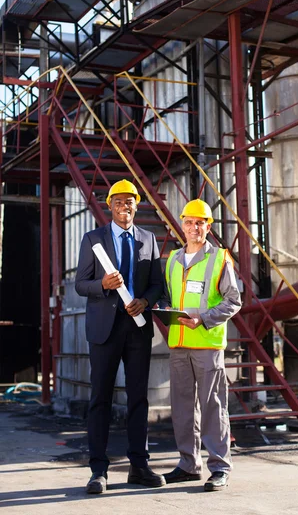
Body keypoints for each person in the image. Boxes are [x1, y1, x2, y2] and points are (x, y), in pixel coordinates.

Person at [75, 179, 165, 494]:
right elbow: (80, 284)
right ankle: (98, 470)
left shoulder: (149, 239)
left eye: (129, 201)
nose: (124, 206)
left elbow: (158, 285)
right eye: (118, 202)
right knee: (100, 398)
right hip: (104, 330)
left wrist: (146, 301)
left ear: (136, 205)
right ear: (110, 206)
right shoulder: (93, 239)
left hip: (138, 328)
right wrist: (103, 285)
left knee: (138, 398)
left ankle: (139, 467)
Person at [162, 198, 242, 492]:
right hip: (179, 344)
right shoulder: (171, 259)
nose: (194, 227)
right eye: (189, 222)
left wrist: (205, 318)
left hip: (207, 344)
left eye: (200, 222)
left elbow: (234, 300)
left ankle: (220, 467)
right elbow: (172, 299)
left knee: (213, 407)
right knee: (182, 408)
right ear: (181, 225)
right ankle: (188, 465)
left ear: (208, 227)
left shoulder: (220, 258)